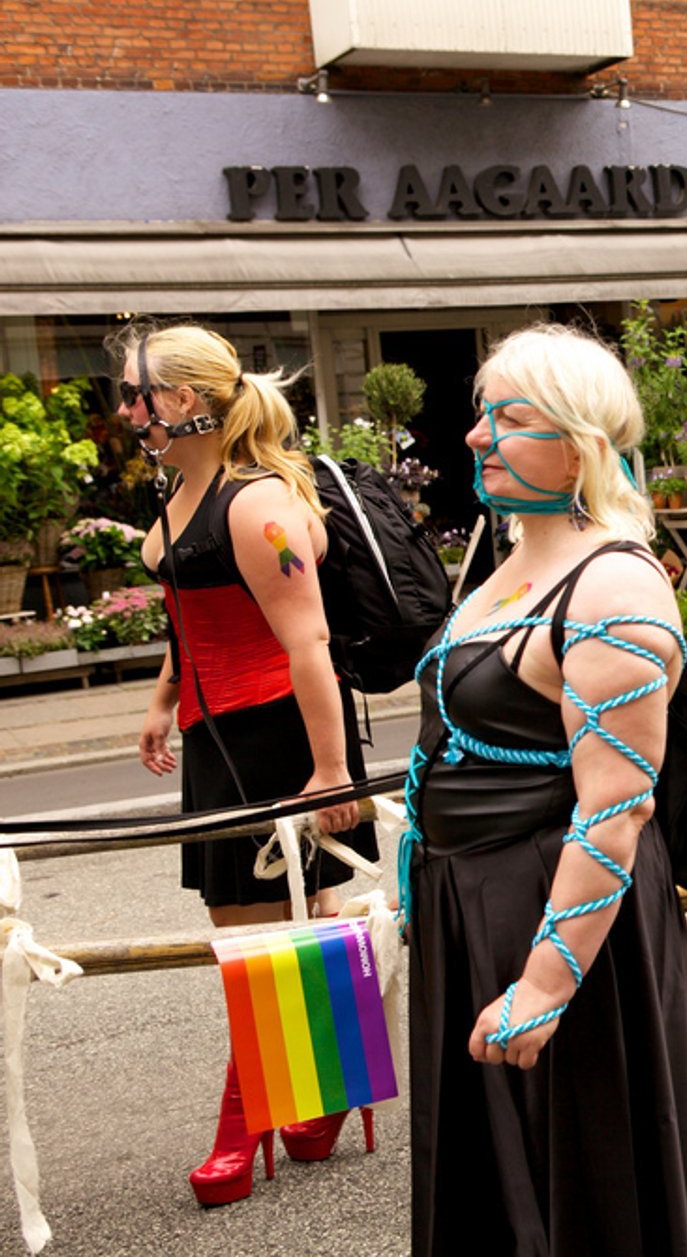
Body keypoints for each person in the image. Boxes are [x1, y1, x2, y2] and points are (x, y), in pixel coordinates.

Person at [403, 325, 687, 1252]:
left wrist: (545, 982)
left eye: (507, 417)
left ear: (580, 442)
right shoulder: (506, 564)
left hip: (558, 919)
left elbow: (614, 809)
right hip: (468, 908)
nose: (477, 436)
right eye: (481, 415)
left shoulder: (614, 585)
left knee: (590, 1185)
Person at [119, 323, 380, 1207]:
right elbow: (193, 610)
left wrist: (332, 768)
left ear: (185, 401)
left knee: (262, 932)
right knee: (285, 923)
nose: (126, 409)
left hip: (279, 727)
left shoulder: (256, 501)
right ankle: (327, 1088)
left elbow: (305, 636)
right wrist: (164, 698)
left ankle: (250, 1114)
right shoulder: (181, 496)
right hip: (215, 728)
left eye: (136, 394)